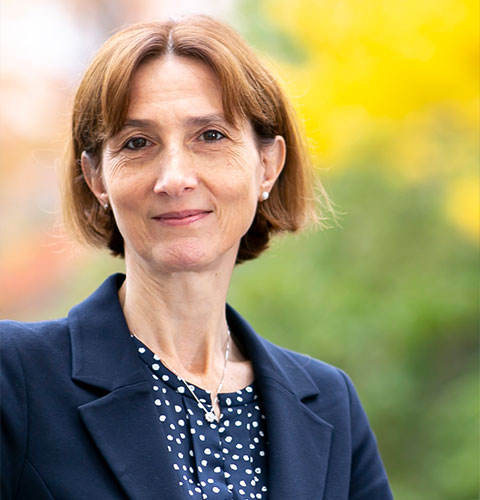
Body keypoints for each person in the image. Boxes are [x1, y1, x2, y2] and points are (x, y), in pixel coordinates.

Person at [1, 16, 393, 500]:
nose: (175, 178)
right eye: (137, 143)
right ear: (97, 178)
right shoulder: (15, 376)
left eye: (210, 136)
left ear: (267, 164)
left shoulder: (331, 403)